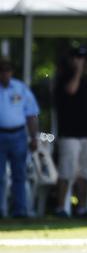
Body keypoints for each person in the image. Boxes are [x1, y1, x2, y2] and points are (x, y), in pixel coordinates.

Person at [53, 45, 87, 216]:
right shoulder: (64, 78)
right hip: (69, 134)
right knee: (67, 172)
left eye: (84, 59)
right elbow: (71, 90)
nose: (82, 62)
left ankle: (83, 207)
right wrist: (78, 72)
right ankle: (61, 207)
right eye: (79, 59)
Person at [0, 57, 40, 217]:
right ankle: (1, 210)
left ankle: (20, 210)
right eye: (1, 71)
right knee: (0, 176)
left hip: (18, 135)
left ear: (11, 72)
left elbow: (31, 114)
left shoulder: (20, 88)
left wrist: (34, 137)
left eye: (7, 71)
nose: (4, 74)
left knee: (20, 174)